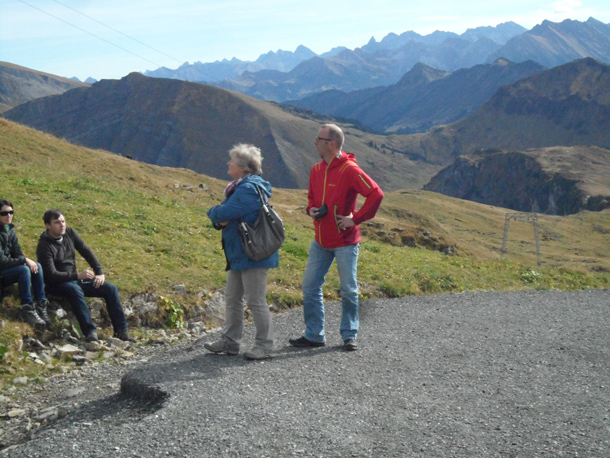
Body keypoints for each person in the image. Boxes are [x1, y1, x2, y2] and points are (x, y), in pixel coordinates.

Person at [289, 124, 384, 351]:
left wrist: (356, 219)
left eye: (318, 139)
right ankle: (314, 335)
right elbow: (312, 199)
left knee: (348, 289)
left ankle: (349, 335)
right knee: (310, 286)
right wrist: (311, 210)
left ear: (331, 144)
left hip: (345, 242)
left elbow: (376, 194)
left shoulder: (349, 170)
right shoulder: (316, 169)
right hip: (321, 240)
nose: (314, 142)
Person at [205, 144, 279, 361]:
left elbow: (225, 212)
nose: (228, 163)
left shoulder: (247, 189)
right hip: (241, 252)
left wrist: (213, 213)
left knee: (255, 300)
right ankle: (230, 342)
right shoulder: (241, 186)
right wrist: (219, 219)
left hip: (253, 253)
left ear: (244, 167)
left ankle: (265, 346)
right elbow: (225, 217)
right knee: (233, 298)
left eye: (232, 161)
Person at [36, 209, 134, 343]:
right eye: (57, 222)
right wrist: (77, 275)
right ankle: (90, 333)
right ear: (48, 225)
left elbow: (85, 250)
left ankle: (122, 332)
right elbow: (51, 275)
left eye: (63, 221)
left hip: (75, 280)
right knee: (74, 289)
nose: (62, 225)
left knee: (110, 289)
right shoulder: (44, 245)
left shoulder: (69, 233)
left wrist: (99, 272)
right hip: (56, 284)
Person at [0, 199, 50, 328]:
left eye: (11, 212)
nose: (8, 215)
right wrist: (23, 260)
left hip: (4, 270)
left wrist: (25, 260)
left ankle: (40, 305)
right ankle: (26, 308)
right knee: (24, 270)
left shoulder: (9, 229)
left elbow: (17, 253)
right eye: (4, 213)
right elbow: (1, 261)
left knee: (37, 266)